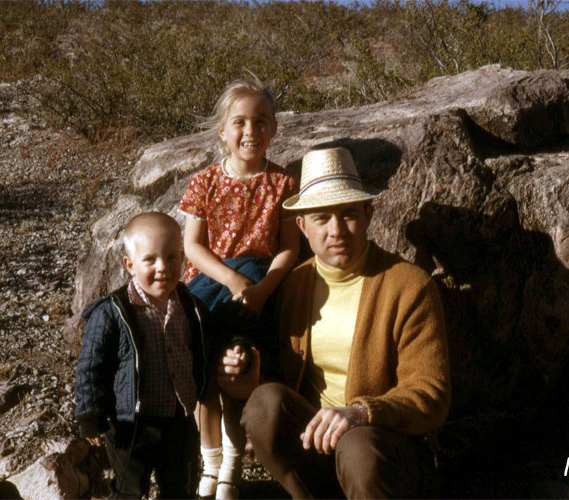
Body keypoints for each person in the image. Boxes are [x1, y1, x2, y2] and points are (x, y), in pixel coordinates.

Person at [220, 147, 452, 498]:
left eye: (348, 215)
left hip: (385, 450)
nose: (336, 230)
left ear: (369, 214)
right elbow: (280, 388)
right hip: (318, 446)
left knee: (357, 448)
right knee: (264, 404)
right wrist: (246, 382)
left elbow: (431, 394)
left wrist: (361, 412)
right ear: (301, 226)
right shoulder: (294, 285)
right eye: (321, 218)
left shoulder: (409, 284)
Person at [178, 76, 299, 498]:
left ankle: (232, 465)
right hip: (211, 289)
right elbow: (192, 246)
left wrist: (263, 288)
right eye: (241, 123)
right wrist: (230, 277)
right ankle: (209, 465)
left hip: (258, 293)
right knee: (202, 374)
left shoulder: (282, 183)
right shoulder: (204, 182)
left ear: (274, 128)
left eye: (262, 122)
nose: (252, 132)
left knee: (237, 366)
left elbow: (289, 248)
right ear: (223, 131)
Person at [74, 212, 211, 499]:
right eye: (150, 260)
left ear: (183, 259)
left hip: (179, 417)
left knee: (180, 487)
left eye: (172, 257)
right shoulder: (113, 312)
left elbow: (204, 346)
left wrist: (210, 379)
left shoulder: (191, 306)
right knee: (130, 488)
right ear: (130, 265)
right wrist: (91, 415)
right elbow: (90, 367)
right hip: (131, 421)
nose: (163, 267)